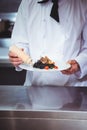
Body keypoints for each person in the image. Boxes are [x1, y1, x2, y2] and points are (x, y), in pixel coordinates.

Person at [9, 0, 87, 87]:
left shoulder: (82, 3)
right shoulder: (27, 2)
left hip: (73, 88)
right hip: (35, 87)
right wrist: (19, 55)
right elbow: (20, 42)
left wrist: (79, 63)